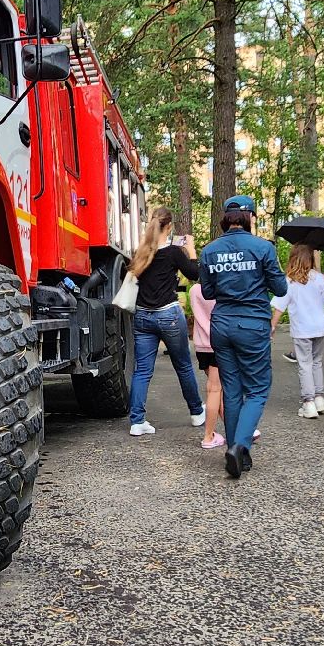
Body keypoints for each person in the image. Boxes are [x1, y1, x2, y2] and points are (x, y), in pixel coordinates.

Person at [200, 194, 288, 479]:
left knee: (232, 388)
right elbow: (281, 288)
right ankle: (239, 445)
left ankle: (241, 456)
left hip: (222, 324)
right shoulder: (263, 248)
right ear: (250, 217)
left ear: (226, 217)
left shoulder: (210, 250)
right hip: (252, 324)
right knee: (259, 388)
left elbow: (208, 292)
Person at [125, 207, 206, 436]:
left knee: (142, 371)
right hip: (169, 315)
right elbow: (194, 274)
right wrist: (190, 249)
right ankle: (196, 412)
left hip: (143, 316)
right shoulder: (173, 253)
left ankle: (137, 421)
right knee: (183, 366)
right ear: (169, 227)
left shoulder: (141, 253)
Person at [272, 244, 324, 419]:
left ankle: (308, 402)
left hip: (302, 329)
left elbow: (279, 307)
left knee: (304, 364)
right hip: (320, 328)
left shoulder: (289, 281)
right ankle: (320, 398)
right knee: (317, 361)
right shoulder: (320, 278)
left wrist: (272, 326)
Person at [189, 281, 225, 449]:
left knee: (218, 391)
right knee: (215, 389)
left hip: (201, 345)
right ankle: (208, 436)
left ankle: (240, 428)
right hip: (218, 343)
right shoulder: (221, 288)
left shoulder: (195, 290)